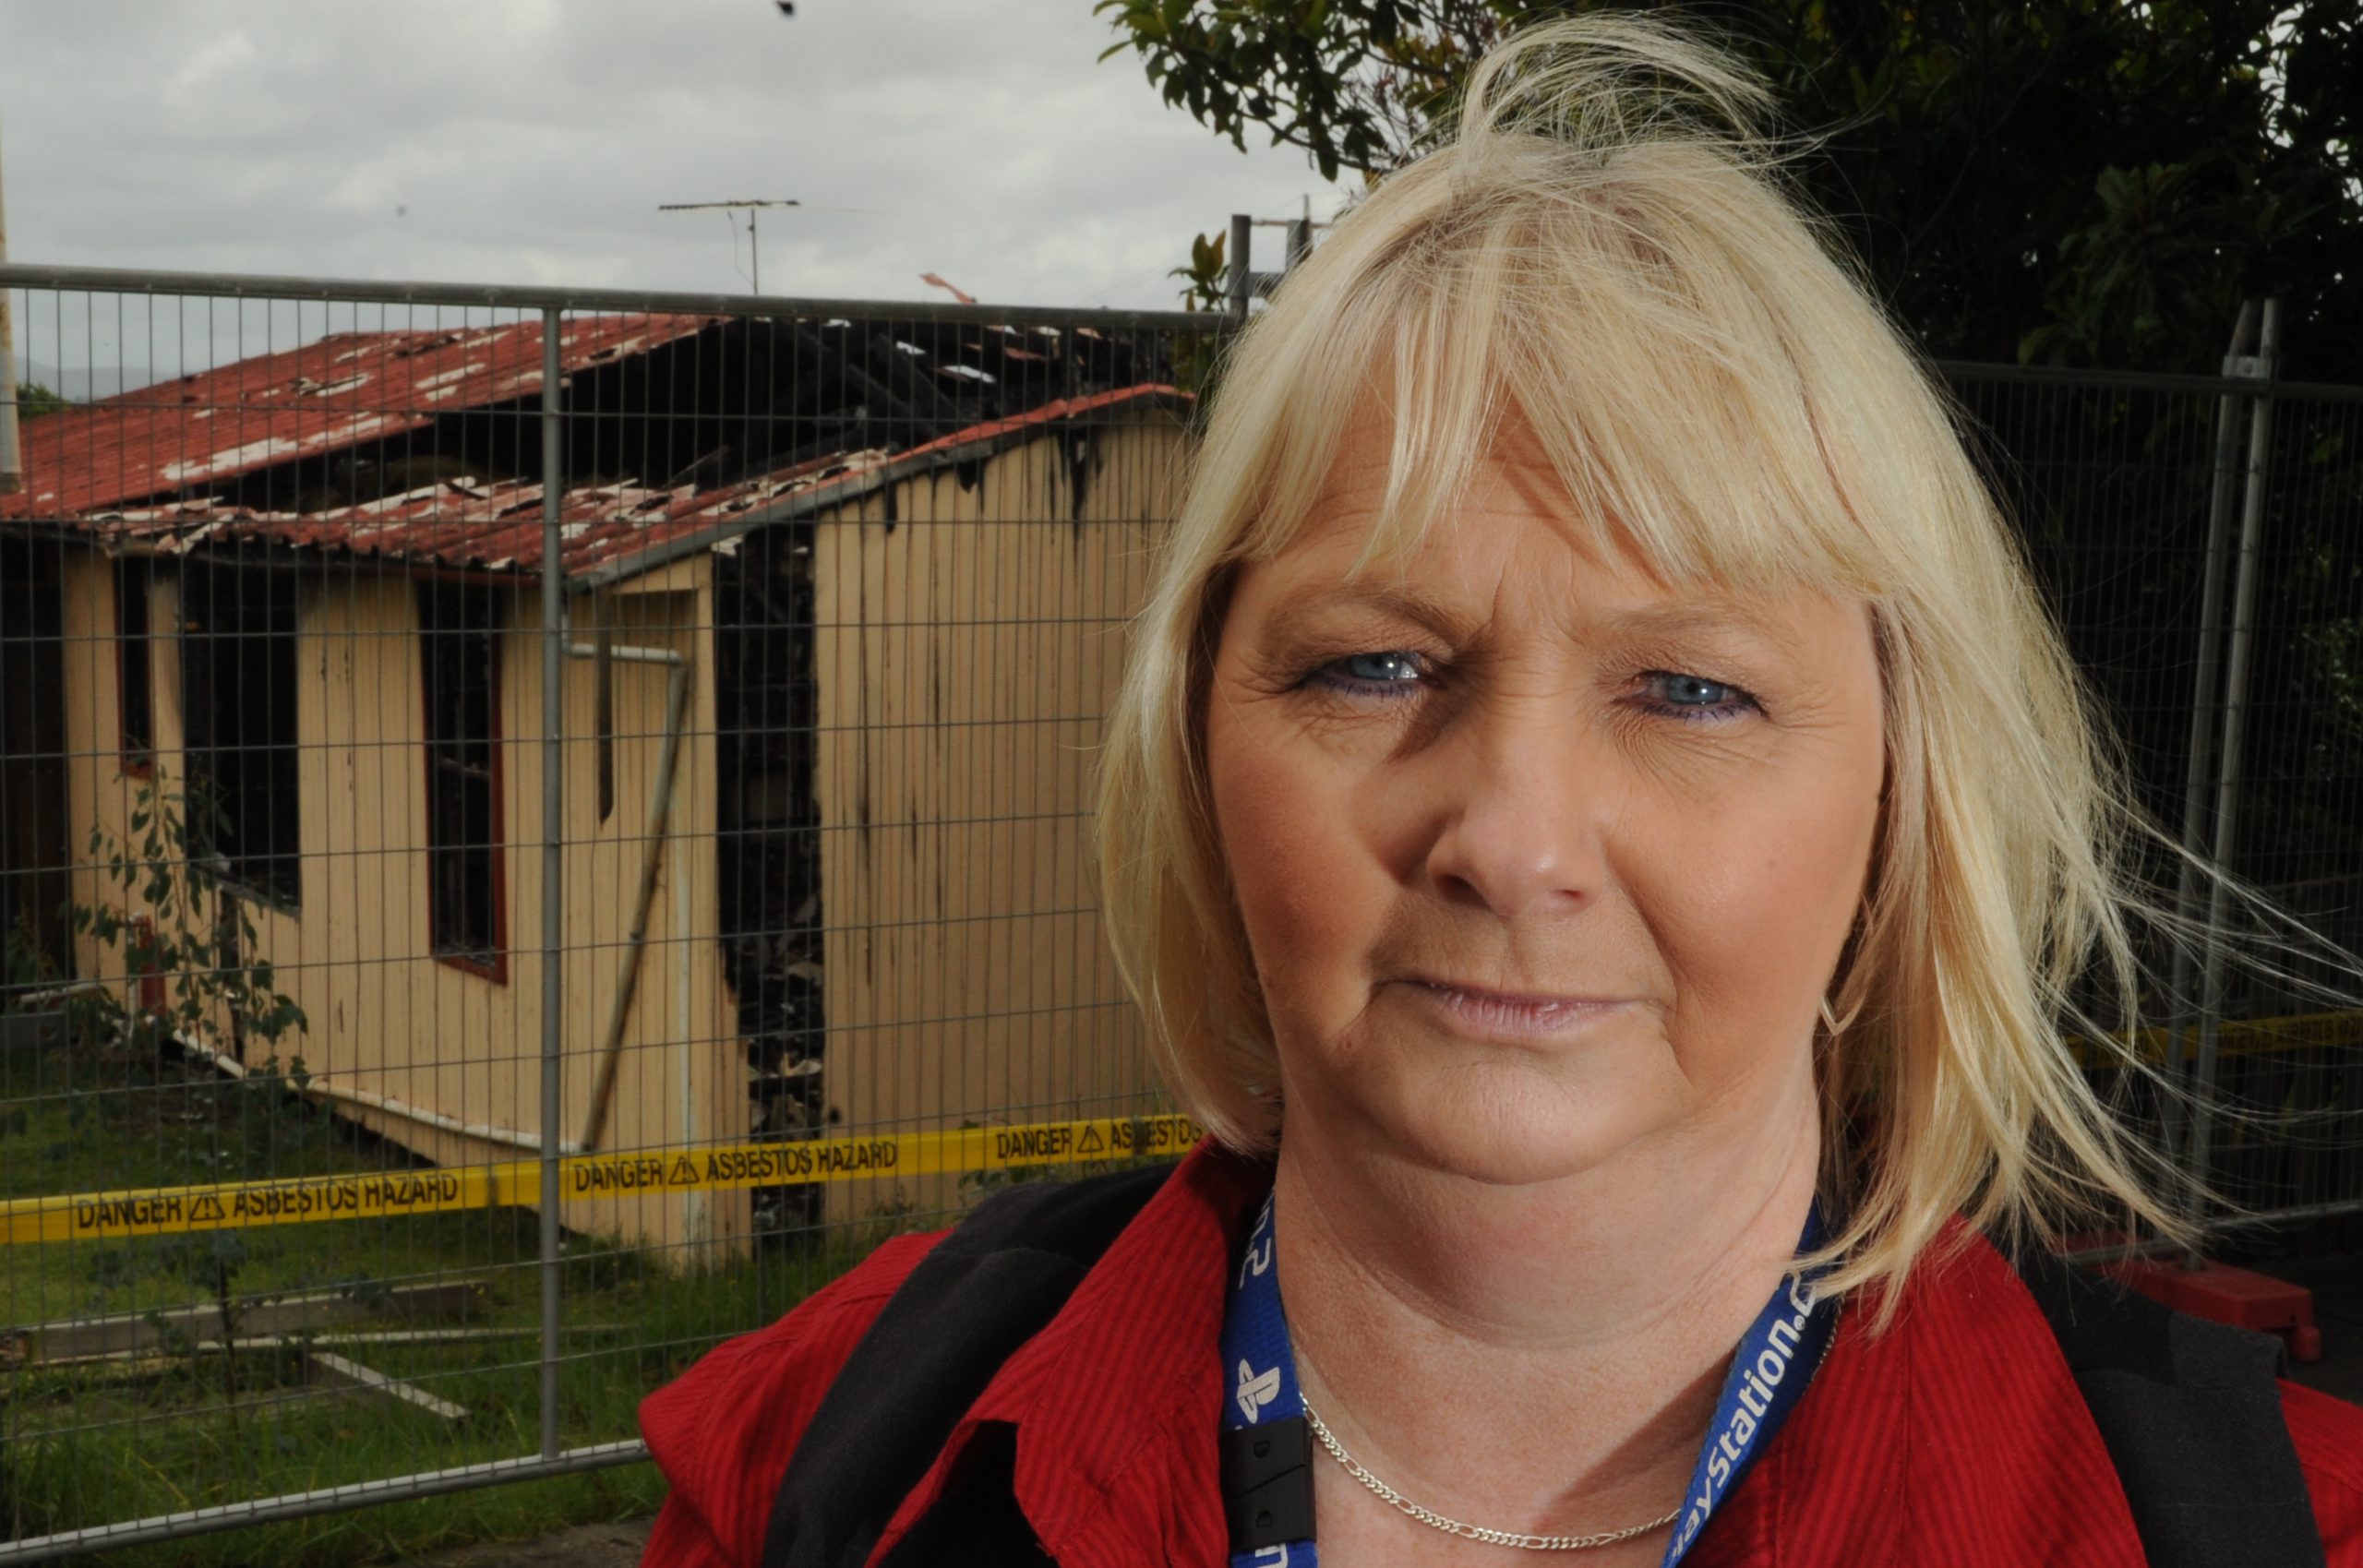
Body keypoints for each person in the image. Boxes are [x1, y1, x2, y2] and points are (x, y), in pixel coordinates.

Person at [640, 14, 2363, 1566]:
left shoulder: (2279, 1526)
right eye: (1373, 667)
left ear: (1906, 803)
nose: (1515, 845)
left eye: (1693, 690)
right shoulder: (830, 1455)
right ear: (1196, 749)